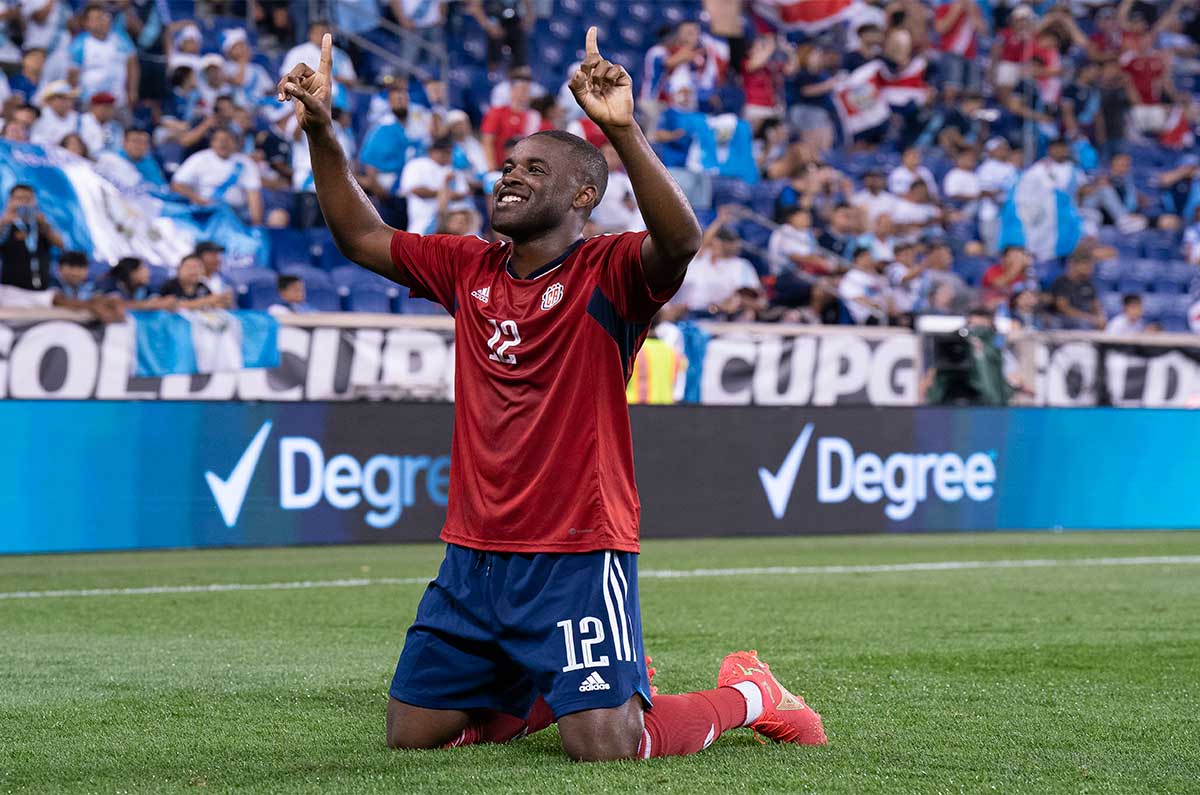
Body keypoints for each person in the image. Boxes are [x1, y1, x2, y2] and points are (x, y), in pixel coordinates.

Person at [278, 27, 826, 762]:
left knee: (606, 745)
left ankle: (752, 693)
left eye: (535, 168)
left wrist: (622, 130)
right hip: (475, 551)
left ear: (583, 195)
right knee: (413, 736)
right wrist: (321, 130)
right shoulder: (468, 267)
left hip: (577, 547)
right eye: (508, 165)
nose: (510, 175)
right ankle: (572, 680)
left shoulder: (609, 272)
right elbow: (361, 237)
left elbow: (680, 242)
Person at [170, 127, 264, 225]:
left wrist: (256, 224)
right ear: (212, 142)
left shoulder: (245, 163)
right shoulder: (199, 158)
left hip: (235, 216)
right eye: (218, 140)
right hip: (204, 213)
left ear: (236, 143)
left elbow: (253, 195)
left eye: (227, 139)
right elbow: (177, 184)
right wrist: (198, 199)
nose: (223, 143)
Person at [67, 3, 138, 107]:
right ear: (86, 23)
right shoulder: (79, 44)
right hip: (90, 102)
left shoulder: (121, 38)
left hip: (118, 101)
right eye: (97, 18)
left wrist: (132, 91)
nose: (102, 21)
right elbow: (72, 76)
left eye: (104, 17)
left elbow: (132, 65)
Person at [399, 137, 470, 235]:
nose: (446, 155)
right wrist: (443, 192)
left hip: (451, 220)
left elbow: (463, 193)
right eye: (442, 151)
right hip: (423, 217)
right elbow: (415, 190)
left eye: (448, 152)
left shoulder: (453, 169)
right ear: (432, 151)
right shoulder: (417, 164)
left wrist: (445, 193)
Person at [0, 184, 63, 291]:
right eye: (19, 198)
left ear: (35, 201)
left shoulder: (42, 224)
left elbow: (60, 244)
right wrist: (3, 222)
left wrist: (45, 225)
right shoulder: (6, 224)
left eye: (28, 199)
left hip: (41, 288)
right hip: (10, 289)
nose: (24, 202)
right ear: (10, 201)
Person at [95, 128, 167, 192]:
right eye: (135, 141)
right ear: (124, 142)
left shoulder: (150, 164)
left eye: (144, 142)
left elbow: (162, 188)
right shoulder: (110, 160)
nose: (139, 146)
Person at [1050, 248, 1105, 330]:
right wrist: (1088, 318)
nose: (1090, 268)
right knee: (1083, 323)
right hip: (1064, 319)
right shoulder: (1062, 282)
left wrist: (1100, 317)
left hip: (1085, 318)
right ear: (1073, 265)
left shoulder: (1088, 284)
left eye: (1091, 264)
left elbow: (1096, 306)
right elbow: (1063, 308)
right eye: (1085, 264)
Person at [158, 254, 231, 308]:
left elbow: (213, 304)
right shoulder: (170, 286)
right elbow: (173, 305)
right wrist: (207, 300)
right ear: (179, 269)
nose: (194, 271)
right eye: (189, 267)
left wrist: (222, 302)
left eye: (198, 267)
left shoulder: (202, 287)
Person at [107, 256, 175, 310]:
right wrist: (152, 305)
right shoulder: (113, 287)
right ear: (132, 273)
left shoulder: (141, 289)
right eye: (142, 268)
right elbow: (118, 305)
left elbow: (153, 298)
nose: (148, 272)